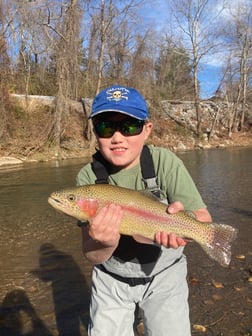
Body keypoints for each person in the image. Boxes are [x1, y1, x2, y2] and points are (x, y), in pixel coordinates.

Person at [76, 85, 212, 336]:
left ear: (147, 130)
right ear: (94, 132)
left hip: (165, 276)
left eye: (129, 126)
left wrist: (184, 226)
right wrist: (104, 242)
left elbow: (204, 219)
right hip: (111, 280)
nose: (117, 137)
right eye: (106, 127)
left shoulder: (165, 162)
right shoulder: (88, 178)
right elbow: (92, 256)